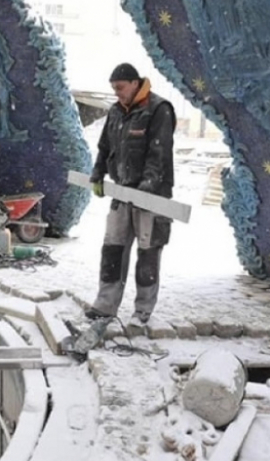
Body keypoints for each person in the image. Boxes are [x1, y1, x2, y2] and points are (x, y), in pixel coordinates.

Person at [86, 63, 176, 324]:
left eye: (120, 88)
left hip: (152, 196)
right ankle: (105, 305)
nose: (117, 94)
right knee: (112, 249)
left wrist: (147, 186)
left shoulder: (158, 109)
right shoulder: (116, 112)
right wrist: (98, 172)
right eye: (114, 89)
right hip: (122, 192)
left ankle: (142, 312)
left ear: (135, 83)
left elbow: (159, 154)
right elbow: (105, 147)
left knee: (148, 254)